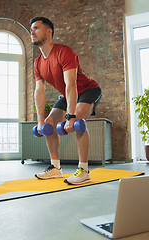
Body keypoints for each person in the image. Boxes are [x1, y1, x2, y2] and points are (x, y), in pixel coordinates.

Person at [30, 17, 102, 185]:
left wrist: (70, 116)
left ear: (49, 32)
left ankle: (84, 171)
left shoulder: (64, 52)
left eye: (36, 28)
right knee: (49, 124)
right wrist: (41, 121)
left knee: (78, 120)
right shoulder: (38, 63)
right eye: (31, 29)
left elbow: (71, 85)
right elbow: (39, 91)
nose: (32, 32)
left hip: (88, 90)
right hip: (66, 94)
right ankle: (55, 168)